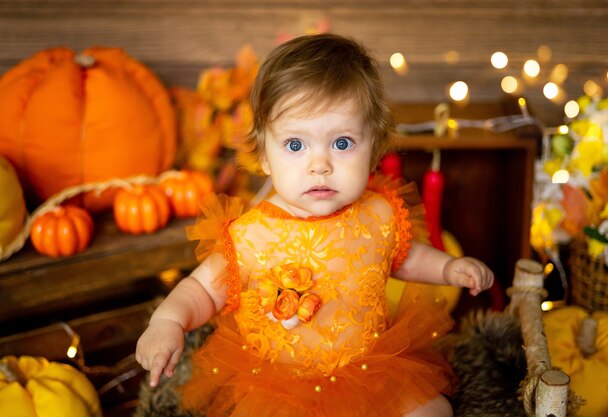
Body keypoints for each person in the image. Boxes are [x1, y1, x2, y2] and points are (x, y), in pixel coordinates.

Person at [136, 33, 494, 417]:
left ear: (373, 148)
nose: (319, 164)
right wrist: (169, 320)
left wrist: (448, 267)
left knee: (434, 412)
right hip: (279, 385)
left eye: (342, 143)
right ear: (266, 157)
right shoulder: (250, 235)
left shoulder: (378, 212)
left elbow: (401, 256)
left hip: (369, 368)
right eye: (295, 146)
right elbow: (202, 291)